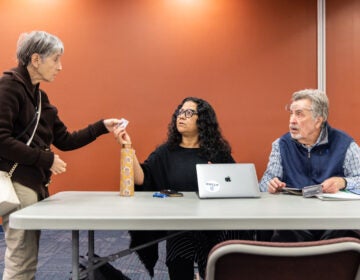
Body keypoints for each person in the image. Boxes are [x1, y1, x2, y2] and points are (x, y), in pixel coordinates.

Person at [0, 31, 123, 279]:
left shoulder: (39, 97)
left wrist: (101, 127)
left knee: (26, 257)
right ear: (36, 59)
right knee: (22, 259)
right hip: (18, 184)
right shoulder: (9, 87)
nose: (60, 67)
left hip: (32, 185)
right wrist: (46, 159)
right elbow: (1, 140)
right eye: (55, 59)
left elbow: (65, 140)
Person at [114, 97, 251, 279]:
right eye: (180, 112)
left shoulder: (217, 152)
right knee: (178, 259)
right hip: (182, 225)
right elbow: (143, 178)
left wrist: (216, 177)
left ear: (202, 120)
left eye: (189, 113)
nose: (181, 116)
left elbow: (236, 186)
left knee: (225, 256)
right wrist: (127, 147)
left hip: (214, 223)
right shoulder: (166, 152)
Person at [259, 88, 360, 242]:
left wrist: (343, 182)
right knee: (283, 233)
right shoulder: (281, 145)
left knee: (343, 236)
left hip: (334, 223)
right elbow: (265, 182)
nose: (292, 120)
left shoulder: (345, 144)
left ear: (318, 120)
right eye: (291, 113)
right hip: (294, 221)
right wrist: (271, 185)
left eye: (299, 114)